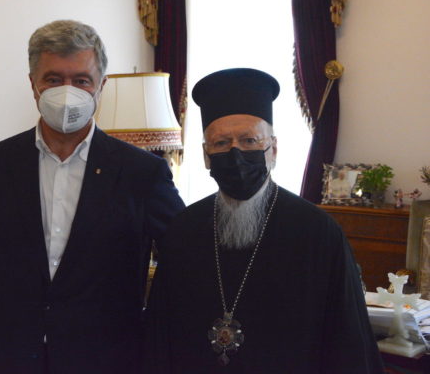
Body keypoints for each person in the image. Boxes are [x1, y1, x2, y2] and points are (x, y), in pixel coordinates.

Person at [0, 20, 185, 374]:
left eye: (81, 80)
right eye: (54, 79)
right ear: (33, 84)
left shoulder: (142, 172)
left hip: (108, 361)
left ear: (101, 86)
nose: (67, 92)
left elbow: (184, 258)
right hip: (9, 360)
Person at [144, 68, 384, 373]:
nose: (235, 153)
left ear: (273, 150)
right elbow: (160, 335)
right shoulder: (184, 230)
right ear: (206, 156)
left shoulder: (317, 232)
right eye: (221, 143)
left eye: (249, 141)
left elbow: (347, 339)